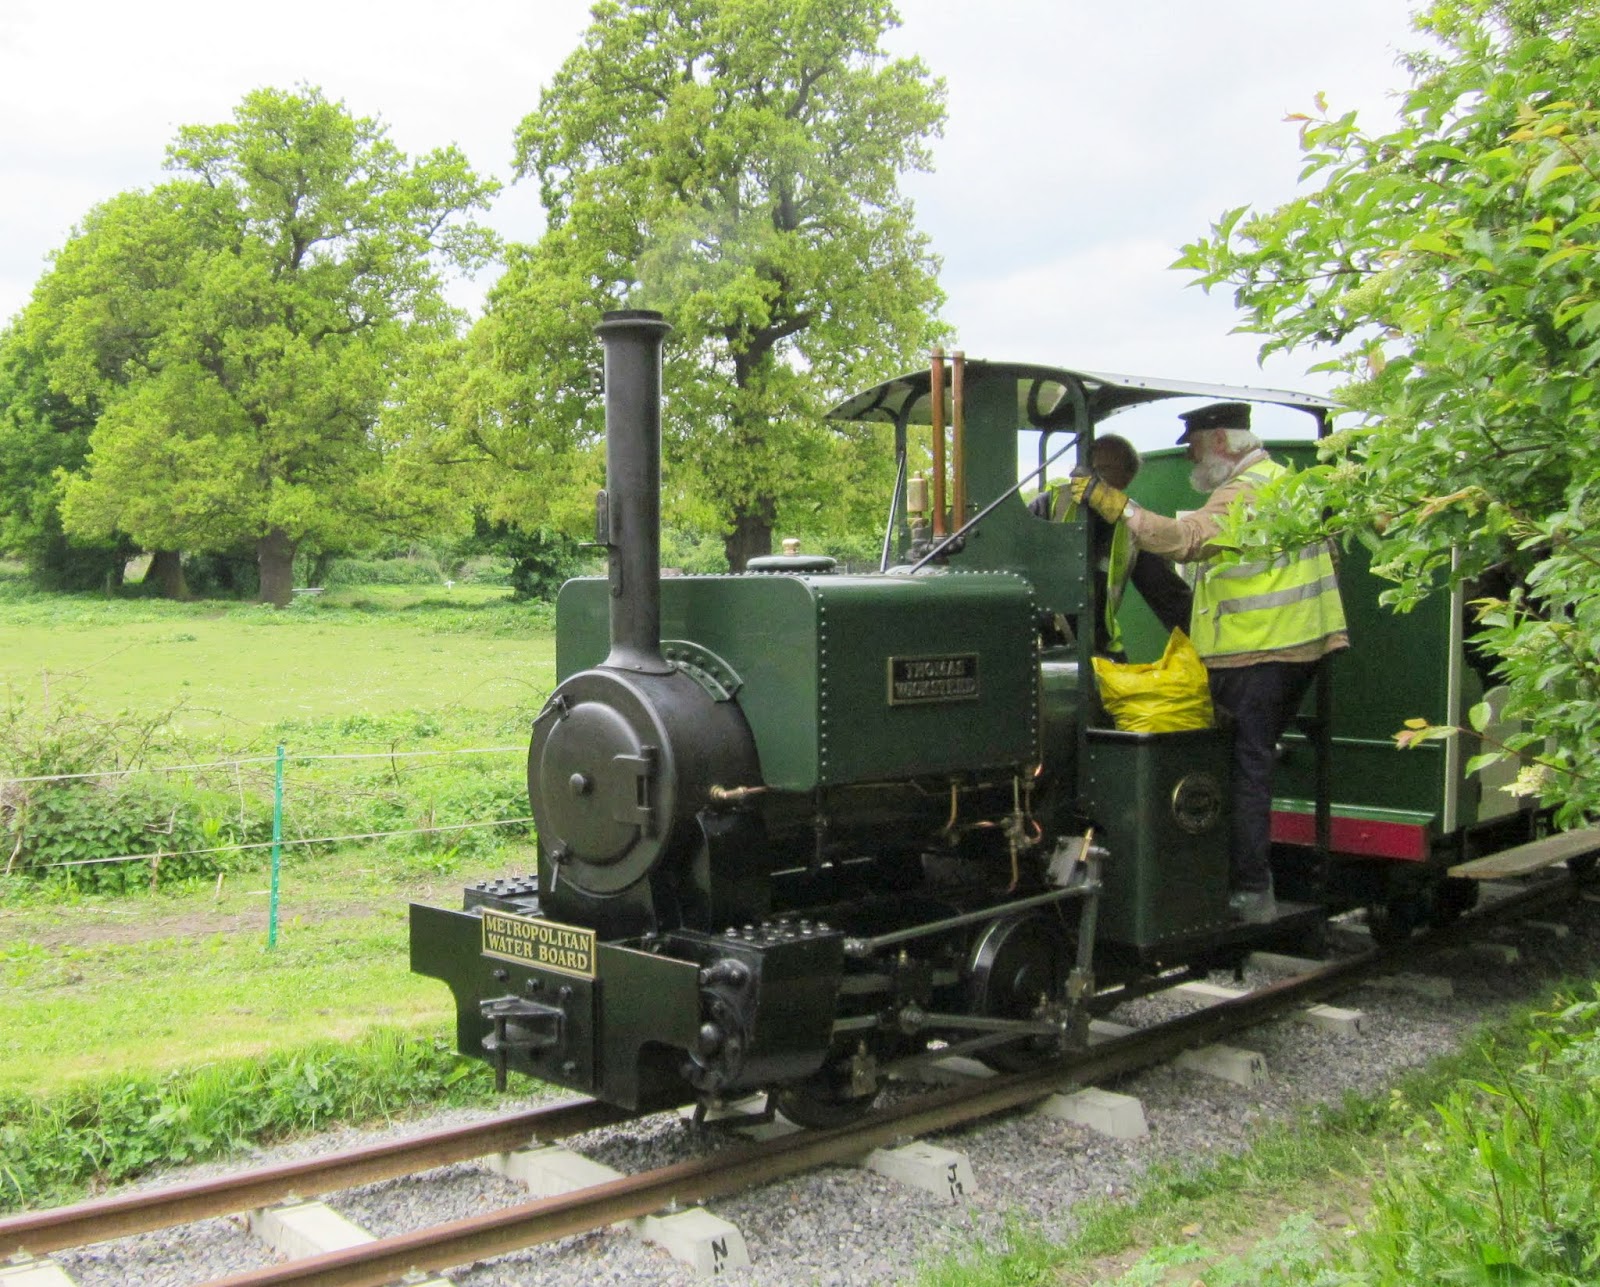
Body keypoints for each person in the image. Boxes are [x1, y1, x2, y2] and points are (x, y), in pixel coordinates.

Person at [1070, 403, 1349, 922]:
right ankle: (1239, 882)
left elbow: (1184, 541)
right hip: (1289, 648)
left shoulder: (1247, 491)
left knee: (1242, 767)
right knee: (1245, 761)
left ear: (1220, 440)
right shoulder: (1284, 483)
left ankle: (1248, 890)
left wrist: (1114, 504)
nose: (1190, 458)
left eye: (1195, 445)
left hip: (1259, 650)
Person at [1030, 433, 1192, 658]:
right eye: (1090, 469)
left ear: (1127, 478)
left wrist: (1207, 643)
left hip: (1098, 645)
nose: (1093, 479)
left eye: (1104, 470)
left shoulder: (1132, 523)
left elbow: (1167, 593)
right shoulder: (1048, 505)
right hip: (1043, 642)